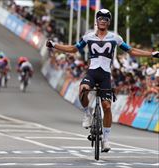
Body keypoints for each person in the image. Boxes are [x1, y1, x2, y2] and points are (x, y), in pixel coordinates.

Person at [46, 9, 159, 152]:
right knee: (83, 89)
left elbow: (131, 51)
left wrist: (152, 54)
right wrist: (54, 45)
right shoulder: (88, 37)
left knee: (106, 106)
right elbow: (73, 49)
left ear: (109, 22)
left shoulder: (115, 38)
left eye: (106, 19)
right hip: (92, 74)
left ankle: (106, 139)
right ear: (96, 21)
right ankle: (87, 113)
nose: (103, 21)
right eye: (100, 18)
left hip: (105, 76)